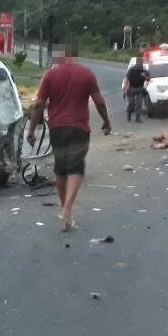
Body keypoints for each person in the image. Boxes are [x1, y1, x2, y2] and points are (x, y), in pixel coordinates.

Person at [28, 43, 113, 231]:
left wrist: (32, 130)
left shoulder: (50, 75)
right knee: (76, 167)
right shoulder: (86, 74)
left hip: (57, 128)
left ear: (59, 56)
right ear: (74, 56)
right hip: (79, 128)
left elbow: (39, 104)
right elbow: (99, 101)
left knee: (61, 168)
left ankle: (64, 208)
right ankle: (68, 208)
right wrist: (106, 121)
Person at [121, 58, 149, 123]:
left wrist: (145, 76)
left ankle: (137, 118)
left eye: (141, 63)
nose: (140, 64)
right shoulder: (132, 69)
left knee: (139, 103)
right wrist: (125, 90)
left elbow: (148, 79)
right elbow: (126, 80)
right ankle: (129, 113)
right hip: (131, 88)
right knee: (131, 103)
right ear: (136, 63)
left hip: (140, 88)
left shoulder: (144, 70)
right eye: (139, 63)